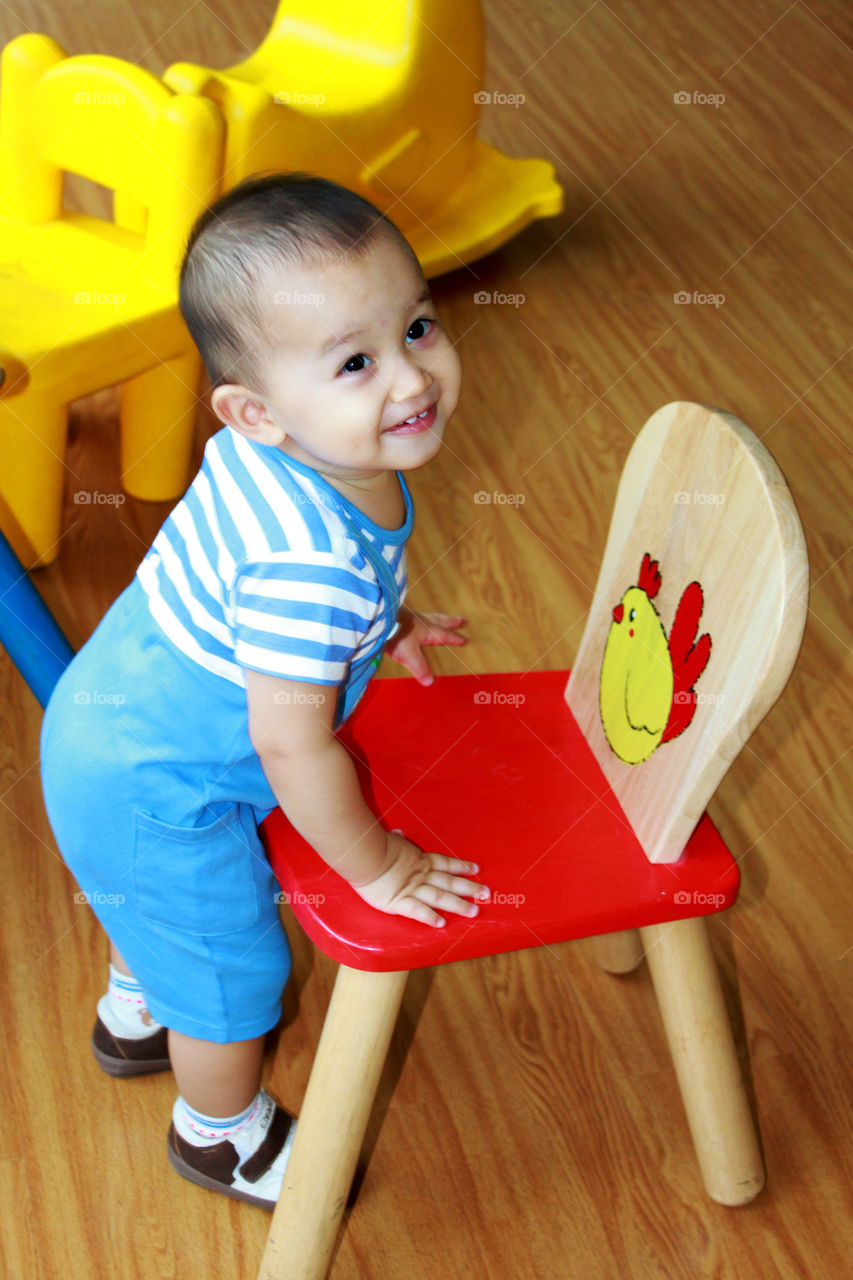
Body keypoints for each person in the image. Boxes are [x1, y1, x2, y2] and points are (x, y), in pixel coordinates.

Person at [40, 173, 489, 1210]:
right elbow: (291, 744)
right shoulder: (311, 560)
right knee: (237, 983)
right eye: (355, 361)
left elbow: (266, 608)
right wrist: (375, 865)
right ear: (254, 410)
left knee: (164, 915)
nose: (411, 378)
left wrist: (386, 628)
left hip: (123, 723)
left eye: (417, 325)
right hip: (160, 783)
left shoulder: (291, 453)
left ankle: (136, 1009)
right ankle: (220, 1132)